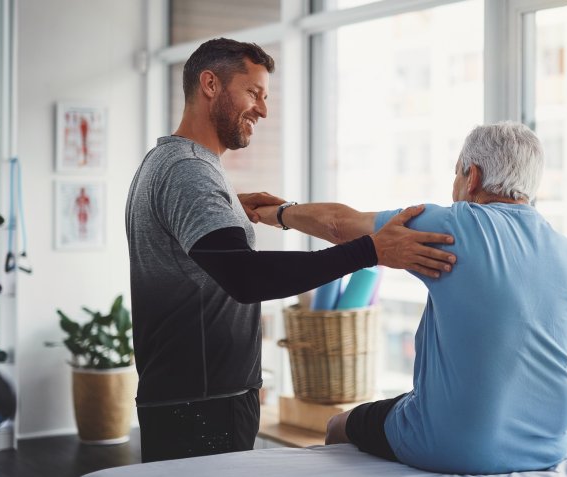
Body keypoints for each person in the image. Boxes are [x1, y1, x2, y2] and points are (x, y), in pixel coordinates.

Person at [125, 38, 457, 463]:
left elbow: (206, 260)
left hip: (190, 395)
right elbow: (247, 279)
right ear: (210, 84)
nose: (263, 110)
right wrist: (370, 250)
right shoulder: (188, 170)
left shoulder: (167, 162)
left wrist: (247, 213)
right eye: (253, 93)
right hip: (204, 402)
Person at [248, 122, 567, 474]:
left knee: (337, 425)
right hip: (550, 444)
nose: (454, 185)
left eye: (457, 173)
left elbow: (339, 224)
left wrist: (277, 212)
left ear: (473, 176)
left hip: (456, 444)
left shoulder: (453, 226)